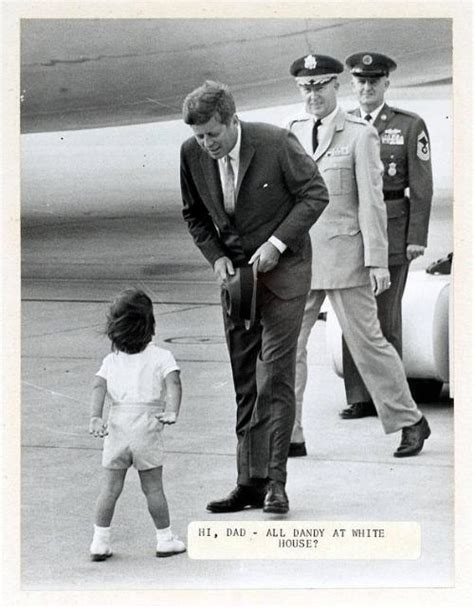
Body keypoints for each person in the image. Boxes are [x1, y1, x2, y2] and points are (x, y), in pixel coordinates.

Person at [180, 80, 329, 514]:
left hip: (283, 276)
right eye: (199, 136)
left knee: (274, 379)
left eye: (213, 134)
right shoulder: (191, 154)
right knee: (245, 381)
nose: (206, 144)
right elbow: (193, 213)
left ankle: (276, 485)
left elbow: (315, 193)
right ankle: (248, 482)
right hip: (237, 282)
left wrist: (277, 244)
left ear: (232, 119)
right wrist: (215, 258)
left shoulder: (276, 142)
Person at [285, 53, 431, 458]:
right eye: (305, 88)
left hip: (347, 260)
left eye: (320, 86)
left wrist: (378, 261)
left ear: (335, 86)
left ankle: (410, 420)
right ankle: (290, 434)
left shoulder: (359, 134)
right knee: (289, 349)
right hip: (302, 261)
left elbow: (373, 204)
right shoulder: (293, 132)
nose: (312, 95)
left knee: (368, 344)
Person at [339, 51, 433, 419]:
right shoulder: (342, 123)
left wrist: (416, 237)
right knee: (351, 315)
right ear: (353, 84)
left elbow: (422, 185)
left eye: (373, 82)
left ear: (386, 84)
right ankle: (358, 396)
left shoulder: (409, 126)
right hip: (351, 231)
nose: (366, 88)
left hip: (393, 229)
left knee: (385, 317)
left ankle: (389, 398)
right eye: (360, 82)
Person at [88, 289, 186, 561]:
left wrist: (96, 416)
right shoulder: (161, 356)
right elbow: (174, 382)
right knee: (153, 488)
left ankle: (100, 541)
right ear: (150, 324)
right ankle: (165, 539)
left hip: (117, 425)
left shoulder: (111, 360)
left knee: (109, 489)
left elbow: (99, 385)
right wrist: (172, 410)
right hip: (147, 425)